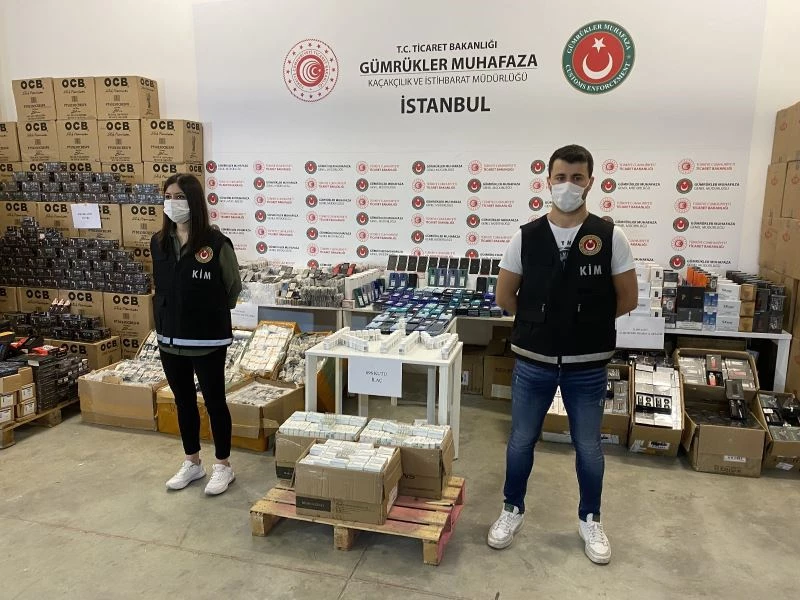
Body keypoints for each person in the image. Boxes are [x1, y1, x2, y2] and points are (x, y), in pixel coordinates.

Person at [486, 145, 638, 564]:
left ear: (591, 182)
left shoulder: (610, 236)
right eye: (560, 177)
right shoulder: (526, 236)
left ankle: (590, 518)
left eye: (577, 178)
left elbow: (627, 298)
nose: (568, 185)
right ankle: (511, 509)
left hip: (587, 367)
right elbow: (505, 295)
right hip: (533, 362)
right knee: (521, 440)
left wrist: (582, 325)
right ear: (547, 181)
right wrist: (544, 324)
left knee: (588, 446)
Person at [151, 173, 242, 495]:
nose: (173, 203)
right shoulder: (159, 242)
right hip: (170, 338)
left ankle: (223, 465)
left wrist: (208, 311)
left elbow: (233, 286)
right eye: (168, 197)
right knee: (183, 401)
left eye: (180, 197)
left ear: (194, 201)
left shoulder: (216, 244)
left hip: (207, 340)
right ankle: (192, 461)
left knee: (215, 402)